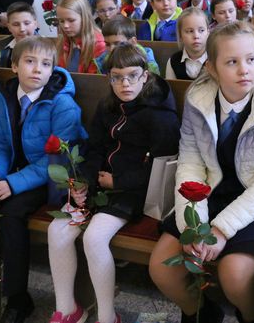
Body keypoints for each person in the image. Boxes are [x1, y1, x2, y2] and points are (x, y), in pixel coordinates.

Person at [149, 21, 254, 323]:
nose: (244, 69)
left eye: (251, 60)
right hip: (212, 189)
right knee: (163, 268)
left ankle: (253, 317)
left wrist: (220, 230)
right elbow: (190, 163)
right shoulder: (198, 99)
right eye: (232, 62)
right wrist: (195, 225)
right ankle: (201, 313)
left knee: (235, 274)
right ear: (213, 68)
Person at [0, 37, 86, 323]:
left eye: (46, 64)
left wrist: (12, 184)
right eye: (29, 61)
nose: (37, 69)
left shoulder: (63, 104)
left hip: (50, 178)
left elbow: (57, 159)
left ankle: (17, 300)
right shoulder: (5, 96)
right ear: (14, 66)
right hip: (14, 171)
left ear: (53, 70)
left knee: (11, 214)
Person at [48, 44, 179, 323]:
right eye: (116, 76)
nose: (125, 83)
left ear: (145, 76)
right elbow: (93, 147)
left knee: (95, 238)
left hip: (134, 192)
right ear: (109, 78)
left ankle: (108, 316)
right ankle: (67, 309)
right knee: (57, 229)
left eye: (132, 75)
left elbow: (164, 166)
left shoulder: (160, 114)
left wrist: (118, 180)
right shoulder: (107, 106)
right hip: (100, 184)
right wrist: (81, 181)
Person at [56, 0, 106, 74]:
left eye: (71, 20)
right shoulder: (63, 41)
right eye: (61, 21)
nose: (65, 26)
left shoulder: (99, 44)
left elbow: (95, 80)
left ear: (84, 18)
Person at [165, 8, 209, 80]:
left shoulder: (216, 59)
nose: (196, 36)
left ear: (208, 32)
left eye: (201, 30)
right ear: (180, 35)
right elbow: (171, 88)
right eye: (190, 31)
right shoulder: (173, 61)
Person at [0, 2, 39, 68]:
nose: (22, 29)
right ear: (9, 27)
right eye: (16, 24)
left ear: (35, 24)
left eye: (27, 23)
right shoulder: (0, 46)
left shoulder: (47, 46)